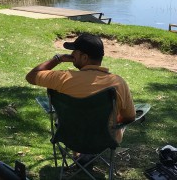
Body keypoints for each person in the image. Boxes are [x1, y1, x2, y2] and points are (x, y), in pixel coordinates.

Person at [26, 33, 135, 163]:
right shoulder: (117, 83)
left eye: (74, 51)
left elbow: (31, 76)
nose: (72, 54)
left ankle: (80, 154)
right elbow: (129, 117)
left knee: (73, 117)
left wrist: (57, 59)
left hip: (70, 138)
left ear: (84, 57)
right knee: (113, 120)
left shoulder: (63, 79)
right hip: (103, 140)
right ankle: (88, 154)